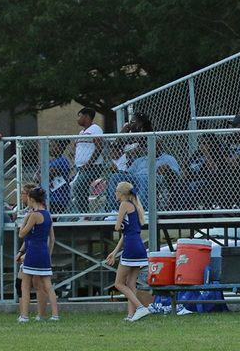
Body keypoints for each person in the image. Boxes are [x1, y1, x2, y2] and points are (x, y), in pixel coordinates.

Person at [104, 182, 150, 321]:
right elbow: (126, 233)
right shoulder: (135, 206)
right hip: (138, 245)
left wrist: (118, 222)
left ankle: (141, 308)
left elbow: (117, 227)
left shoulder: (124, 205)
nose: (115, 193)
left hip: (131, 247)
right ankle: (131, 314)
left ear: (121, 193)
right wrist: (114, 251)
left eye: (116, 191)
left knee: (119, 283)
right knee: (131, 284)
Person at [16, 185, 59, 322]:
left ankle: (24, 316)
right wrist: (49, 254)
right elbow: (52, 239)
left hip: (33, 252)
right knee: (48, 285)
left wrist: (25, 220)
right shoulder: (48, 214)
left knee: (25, 285)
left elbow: (22, 233)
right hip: (44, 252)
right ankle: (55, 315)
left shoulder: (34, 215)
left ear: (31, 199)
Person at [67, 107, 103, 216]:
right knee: (75, 187)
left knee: (78, 186)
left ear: (86, 117)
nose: (78, 119)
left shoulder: (95, 129)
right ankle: (83, 214)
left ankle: (84, 214)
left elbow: (99, 146)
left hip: (92, 167)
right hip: (81, 168)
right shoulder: (81, 132)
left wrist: (88, 164)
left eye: (79, 116)